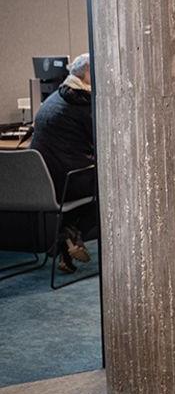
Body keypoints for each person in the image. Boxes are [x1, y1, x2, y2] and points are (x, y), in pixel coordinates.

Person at [30, 52, 97, 272]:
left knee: (81, 186)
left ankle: (67, 246)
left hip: (42, 182)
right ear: (88, 73)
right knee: (114, 189)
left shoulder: (53, 99)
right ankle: (71, 233)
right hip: (69, 181)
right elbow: (101, 141)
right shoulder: (83, 102)